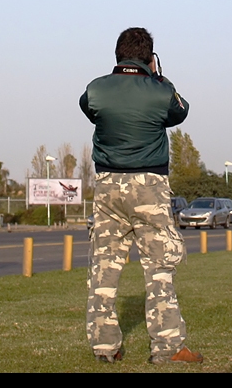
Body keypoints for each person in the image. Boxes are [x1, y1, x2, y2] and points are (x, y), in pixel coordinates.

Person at [79, 27, 202, 365]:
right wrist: (158, 77)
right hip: (149, 185)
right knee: (159, 267)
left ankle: (105, 347)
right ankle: (166, 347)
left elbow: (90, 110)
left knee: (103, 267)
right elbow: (180, 111)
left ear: (118, 56)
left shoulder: (95, 89)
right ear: (150, 57)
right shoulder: (160, 91)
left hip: (107, 187)